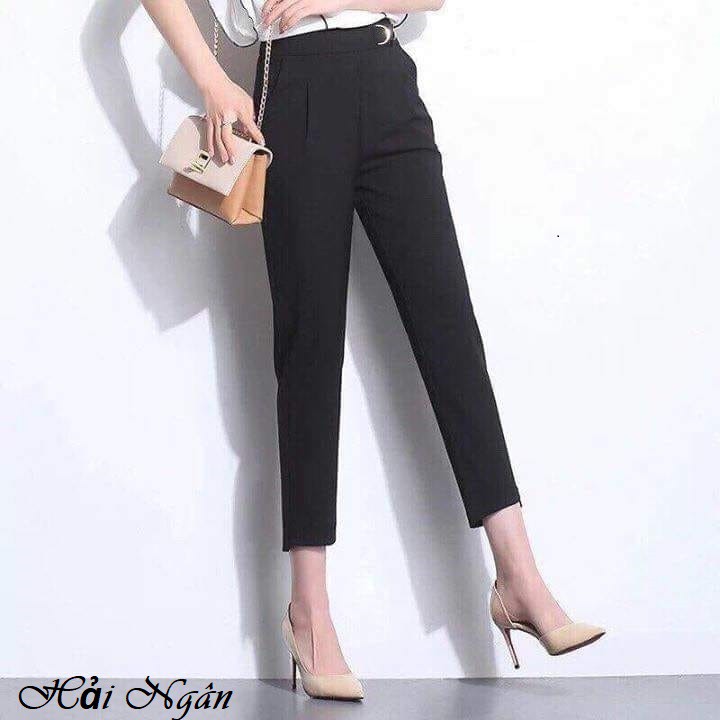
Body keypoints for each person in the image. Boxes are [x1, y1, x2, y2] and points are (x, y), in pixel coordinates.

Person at [141, 0, 605, 700]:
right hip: (294, 84)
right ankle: (309, 612)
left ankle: (519, 576)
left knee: (450, 329)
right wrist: (210, 79)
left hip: (388, 79)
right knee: (309, 348)